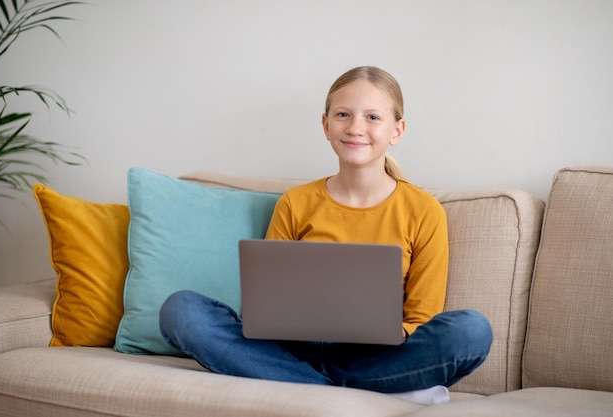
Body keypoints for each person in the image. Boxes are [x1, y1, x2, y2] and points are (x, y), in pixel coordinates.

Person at [159, 66, 493, 404]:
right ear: (326, 125)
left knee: (471, 330)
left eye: (373, 117)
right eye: (343, 114)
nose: (355, 127)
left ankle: (303, 386)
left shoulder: (423, 211)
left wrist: (373, 332)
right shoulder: (296, 202)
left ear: (397, 130)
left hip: (375, 358)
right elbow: (265, 305)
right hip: (289, 350)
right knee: (181, 310)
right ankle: (332, 389)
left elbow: (421, 320)